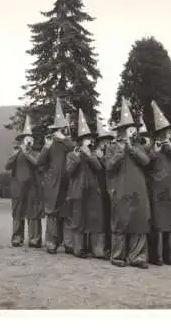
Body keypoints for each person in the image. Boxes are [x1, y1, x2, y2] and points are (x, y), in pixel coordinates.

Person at [105, 97, 151, 269]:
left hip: (138, 189)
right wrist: (120, 151)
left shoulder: (138, 146)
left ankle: (137, 257)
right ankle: (118, 256)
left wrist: (131, 149)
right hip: (120, 189)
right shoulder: (112, 147)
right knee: (120, 221)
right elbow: (108, 166)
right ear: (122, 131)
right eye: (130, 129)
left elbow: (146, 162)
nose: (133, 132)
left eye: (134, 129)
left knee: (139, 221)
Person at [145, 101, 171, 267]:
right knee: (160, 224)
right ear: (158, 135)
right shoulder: (151, 148)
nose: (166, 135)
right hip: (158, 190)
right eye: (163, 133)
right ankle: (158, 257)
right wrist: (155, 152)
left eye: (168, 132)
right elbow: (145, 164)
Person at [36, 99, 75, 254]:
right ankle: (51, 242)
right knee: (52, 213)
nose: (61, 131)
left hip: (67, 182)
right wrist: (46, 146)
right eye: (59, 129)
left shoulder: (67, 142)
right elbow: (39, 162)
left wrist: (63, 138)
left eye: (62, 129)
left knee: (66, 213)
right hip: (53, 183)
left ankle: (67, 243)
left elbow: (72, 149)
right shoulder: (49, 144)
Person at [65, 109, 106, 259]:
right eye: (87, 138)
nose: (90, 141)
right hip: (77, 192)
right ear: (81, 140)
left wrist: (89, 155)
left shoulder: (93, 154)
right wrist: (77, 156)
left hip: (93, 192)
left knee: (94, 219)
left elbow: (99, 168)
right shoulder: (71, 155)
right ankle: (79, 249)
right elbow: (69, 172)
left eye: (90, 138)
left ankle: (95, 249)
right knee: (78, 220)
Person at [5, 115, 43, 248]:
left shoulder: (36, 153)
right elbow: (7, 166)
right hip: (18, 188)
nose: (29, 140)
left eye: (30, 138)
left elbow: (37, 163)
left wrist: (27, 153)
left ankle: (35, 239)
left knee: (33, 214)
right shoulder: (16, 154)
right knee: (17, 213)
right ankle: (17, 238)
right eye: (26, 138)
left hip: (32, 188)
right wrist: (17, 152)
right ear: (22, 140)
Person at [94, 118, 115, 258]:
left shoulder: (110, 153)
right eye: (103, 141)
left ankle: (110, 247)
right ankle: (101, 248)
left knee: (111, 219)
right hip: (100, 191)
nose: (106, 144)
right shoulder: (95, 155)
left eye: (108, 141)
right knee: (102, 220)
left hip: (112, 190)